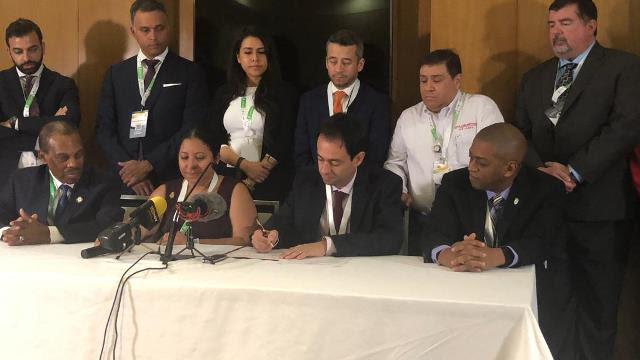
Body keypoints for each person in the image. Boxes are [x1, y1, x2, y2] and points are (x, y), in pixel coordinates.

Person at [513, 1, 640, 358]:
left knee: (598, 306)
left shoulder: (623, 67)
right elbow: (519, 133)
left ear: (592, 26)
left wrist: (574, 171)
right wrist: (545, 171)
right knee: (552, 304)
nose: (556, 32)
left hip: (601, 211)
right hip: (548, 211)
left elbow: (625, 127)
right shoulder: (534, 77)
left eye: (566, 22)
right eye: (551, 24)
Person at [422, 123, 573, 358]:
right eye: (470, 158)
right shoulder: (454, 182)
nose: (471, 167)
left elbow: (543, 242)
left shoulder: (546, 189)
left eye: (481, 163)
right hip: (461, 292)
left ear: (509, 168)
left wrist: (495, 255)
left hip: (527, 295)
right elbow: (433, 232)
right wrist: (448, 254)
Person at [384, 49, 503, 255]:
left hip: (470, 216)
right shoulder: (408, 117)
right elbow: (395, 162)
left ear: (457, 81)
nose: (428, 88)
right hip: (423, 218)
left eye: (436, 80)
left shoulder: (481, 108)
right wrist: (399, 188)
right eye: (423, 81)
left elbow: (496, 159)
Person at [96, 0, 209, 196]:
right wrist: (130, 173)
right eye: (145, 30)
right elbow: (103, 129)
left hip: (170, 176)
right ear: (133, 31)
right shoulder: (116, 73)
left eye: (159, 28)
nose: (153, 37)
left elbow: (191, 128)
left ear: (169, 27)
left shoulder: (189, 72)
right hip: (123, 180)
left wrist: (149, 164)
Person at [252, 113, 403, 259]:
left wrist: (327, 246)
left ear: (358, 158)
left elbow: (390, 239)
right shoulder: (306, 180)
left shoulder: (384, 184)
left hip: (362, 273)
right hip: (312, 273)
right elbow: (283, 223)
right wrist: (268, 235)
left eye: (334, 162)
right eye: (320, 159)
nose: (324, 170)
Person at [210, 26, 297, 202]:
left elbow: (285, 137)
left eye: (261, 52)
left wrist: (255, 174)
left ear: (269, 57)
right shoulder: (223, 92)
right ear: (238, 58)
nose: (255, 59)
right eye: (248, 52)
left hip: (267, 178)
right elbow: (214, 134)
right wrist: (243, 165)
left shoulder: (284, 93)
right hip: (226, 175)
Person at [0, 121, 123, 245]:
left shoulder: (104, 183)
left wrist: (50, 234)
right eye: (63, 158)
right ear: (43, 157)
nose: (73, 164)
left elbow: (108, 225)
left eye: (78, 155)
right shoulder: (21, 180)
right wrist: (8, 232)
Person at [0, 18, 80, 189]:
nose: (26, 57)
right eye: (18, 51)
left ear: (43, 47)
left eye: (33, 49)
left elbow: (69, 125)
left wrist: (15, 123)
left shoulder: (63, 84)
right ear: (9, 51)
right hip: (6, 174)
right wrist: (50, 123)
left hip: (52, 172)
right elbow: (57, 129)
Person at [143, 126, 256, 246]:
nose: (191, 165)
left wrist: (191, 243)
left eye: (200, 157)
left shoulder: (235, 190)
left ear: (216, 158)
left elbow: (243, 241)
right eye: (184, 157)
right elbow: (141, 228)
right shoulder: (165, 191)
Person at [294, 29, 389, 169]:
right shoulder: (309, 101)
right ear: (326, 62)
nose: (339, 69)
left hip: (360, 187)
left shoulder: (377, 102)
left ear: (360, 64)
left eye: (346, 62)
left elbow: (376, 155)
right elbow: (301, 154)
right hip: (315, 185)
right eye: (333, 61)